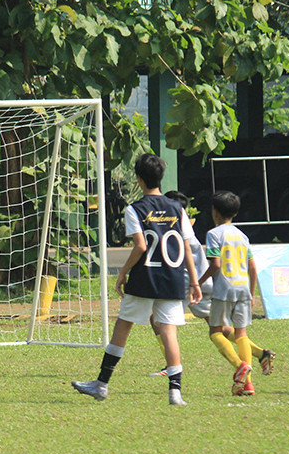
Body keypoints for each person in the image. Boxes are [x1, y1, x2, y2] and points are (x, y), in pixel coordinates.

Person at [72, 154, 202, 406]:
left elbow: (141, 246)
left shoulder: (135, 209)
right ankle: (175, 392)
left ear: (139, 179)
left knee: (123, 326)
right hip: (172, 280)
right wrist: (194, 282)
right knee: (168, 332)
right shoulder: (178, 209)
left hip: (145, 279)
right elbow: (187, 248)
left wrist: (122, 272)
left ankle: (101, 384)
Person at [148, 191, 274, 379]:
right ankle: (259, 353)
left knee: (159, 321)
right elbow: (250, 266)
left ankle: (171, 365)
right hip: (207, 284)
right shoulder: (198, 233)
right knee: (220, 328)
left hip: (189, 285)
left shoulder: (176, 233)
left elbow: (180, 262)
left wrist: (192, 283)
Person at [196, 190, 272, 396]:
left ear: (215, 211)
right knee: (241, 335)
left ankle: (240, 365)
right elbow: (253, 267)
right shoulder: (242, 235)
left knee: (215, 332)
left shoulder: (214, 234)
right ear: (235, 213)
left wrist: (198, 282)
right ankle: (248, 385)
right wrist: (252, 292)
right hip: (243, 288)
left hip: (224, 288)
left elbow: (216, 264)